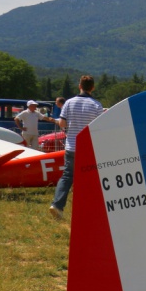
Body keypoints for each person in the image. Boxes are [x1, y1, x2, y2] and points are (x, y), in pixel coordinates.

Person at [49, 75, 103, 220]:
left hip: (71, 146)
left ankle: (57, 205)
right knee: (90, 178)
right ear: (93, 87)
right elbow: (99, 128)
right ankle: (88, 209)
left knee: (67, 176)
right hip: (87, 148)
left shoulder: (69, 103)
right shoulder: (96, 105)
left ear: (79, 86)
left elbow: (62, 123)